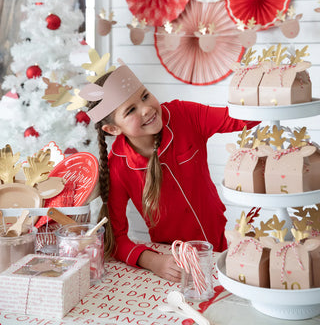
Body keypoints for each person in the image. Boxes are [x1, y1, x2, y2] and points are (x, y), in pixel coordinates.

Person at [79, 61, 259, 283]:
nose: (146, 109)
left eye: (144, 96)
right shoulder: (118, 166)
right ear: (113, 129)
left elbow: (238, 119)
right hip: (173, 265)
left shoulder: (185, 115)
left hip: (218, 247)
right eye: (131, 110)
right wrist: (154, 262)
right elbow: (115, 238)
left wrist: (263, 88)